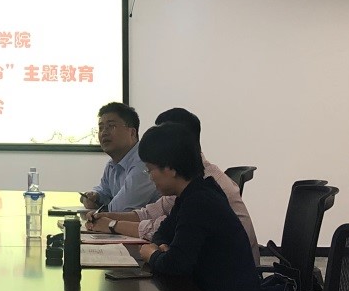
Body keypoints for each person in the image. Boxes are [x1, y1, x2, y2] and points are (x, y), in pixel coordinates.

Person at [86, 107, 259, 263]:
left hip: (224, 279)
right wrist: (106, 218)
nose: (150, 177)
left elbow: (174, 256)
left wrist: (113, 225)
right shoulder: (187, 186)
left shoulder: (202, 193)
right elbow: (159, 224)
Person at [134, 122, 259, 291]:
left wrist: (152, 254)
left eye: (150, 169)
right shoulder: (191, 194)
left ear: (171, 168)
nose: (150, 177)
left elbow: (176, 265)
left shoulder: (200, 201)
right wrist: (162, 248)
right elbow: (162, 232)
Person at [80, 102, 159, 212]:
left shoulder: (144, 161)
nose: (104, 133)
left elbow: (121, 208)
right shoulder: (112, 164)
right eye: (101, 128)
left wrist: (101, 207)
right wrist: (94, 197)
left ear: (132, 132)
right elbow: (104, 191)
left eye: (111, 126)